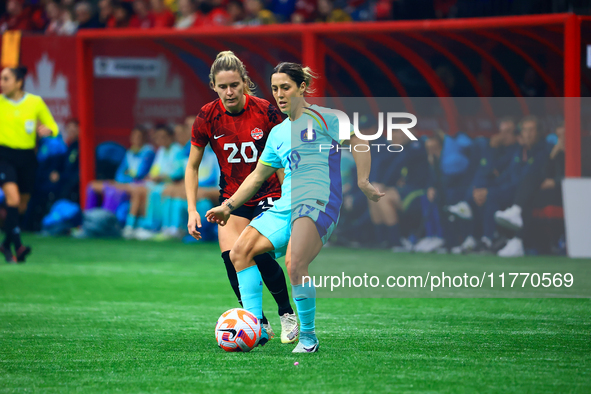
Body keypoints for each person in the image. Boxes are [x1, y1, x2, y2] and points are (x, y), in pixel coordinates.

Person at [205, 62, 384, 352]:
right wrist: (229, 206)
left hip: (318, 202)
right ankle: (254, 327)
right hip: (285, 204)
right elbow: (256, 177)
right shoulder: (277, 133)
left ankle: (309, 338)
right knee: (240, 252)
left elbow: (359, 141)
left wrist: (363, 180)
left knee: (294, 262)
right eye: (274, 88)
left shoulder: (328, 118)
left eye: (285, 87)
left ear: (302, 87)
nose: (279, 94)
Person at [185, 51, 298, 343]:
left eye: (234, 84)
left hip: (268, 194)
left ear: (245, 82)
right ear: (213, 86)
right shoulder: (207, 116)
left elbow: (283, 162)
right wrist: (192, 210)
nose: (229, 91)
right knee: (230, 257)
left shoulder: (266, 112)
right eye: (223, 86)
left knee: (255, 252)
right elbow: (192, 166)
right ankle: (257, 323)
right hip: (232, 199)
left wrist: (289, 201)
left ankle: (286, 314)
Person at [0, 66, 59, 262]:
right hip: (4, 156)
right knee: (13, 200)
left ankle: (6, 244)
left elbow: (53, 127)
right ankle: (19, 246)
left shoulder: (35, 102)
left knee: (21, 206)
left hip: (27, 158)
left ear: (19, 82)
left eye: (6, 79)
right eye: (1, 79)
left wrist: (48, 131)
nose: (1, 83)